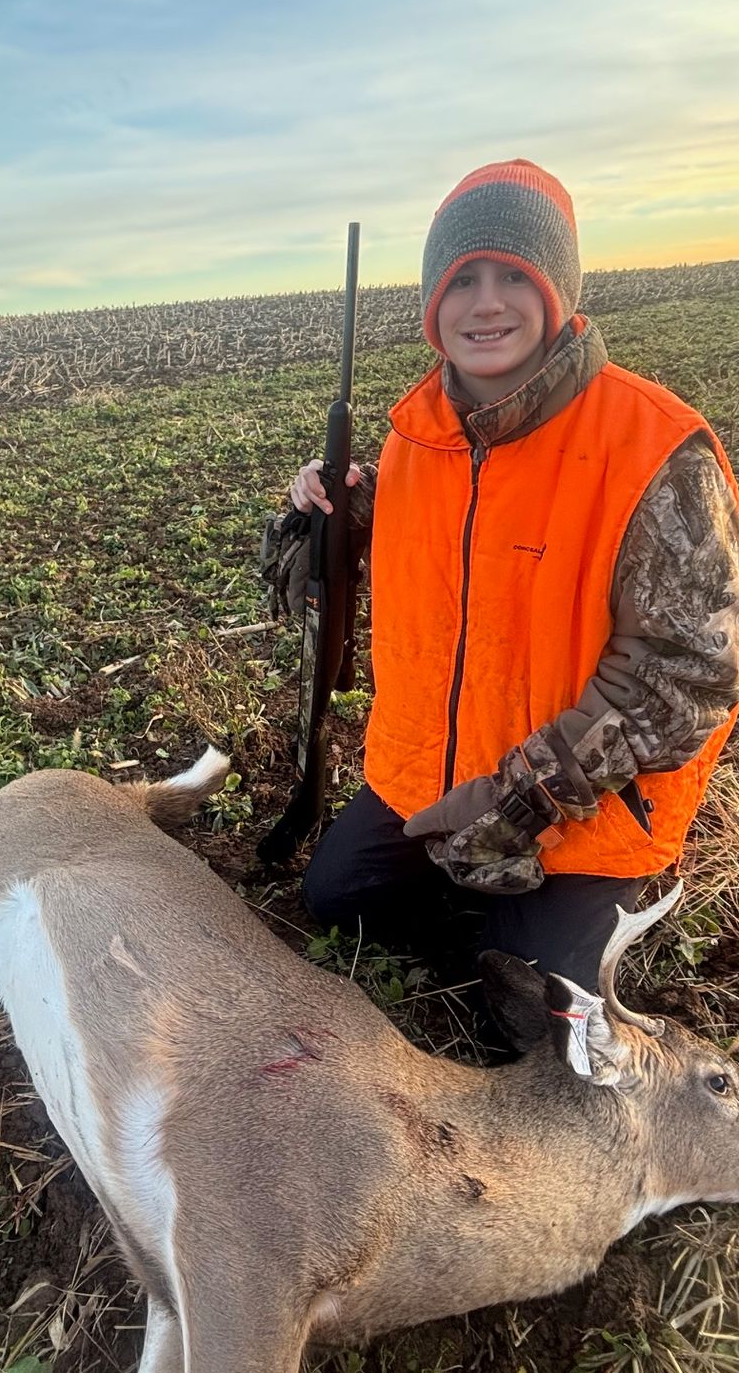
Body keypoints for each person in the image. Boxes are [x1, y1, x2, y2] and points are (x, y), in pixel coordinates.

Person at [263, 159, 739, 996]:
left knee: (528, 998)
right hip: (432, 779)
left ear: (558, 291)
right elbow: (400, 562)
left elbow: (689, 679)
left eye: (514, 276)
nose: (486, 303)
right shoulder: (413, 441)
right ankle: (488, 901)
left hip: (580, 808)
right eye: (462, 280)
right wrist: (322, 516)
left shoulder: (657, 450)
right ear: (432, 306)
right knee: (335, 897)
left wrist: (521, 804)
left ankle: (574, 908)